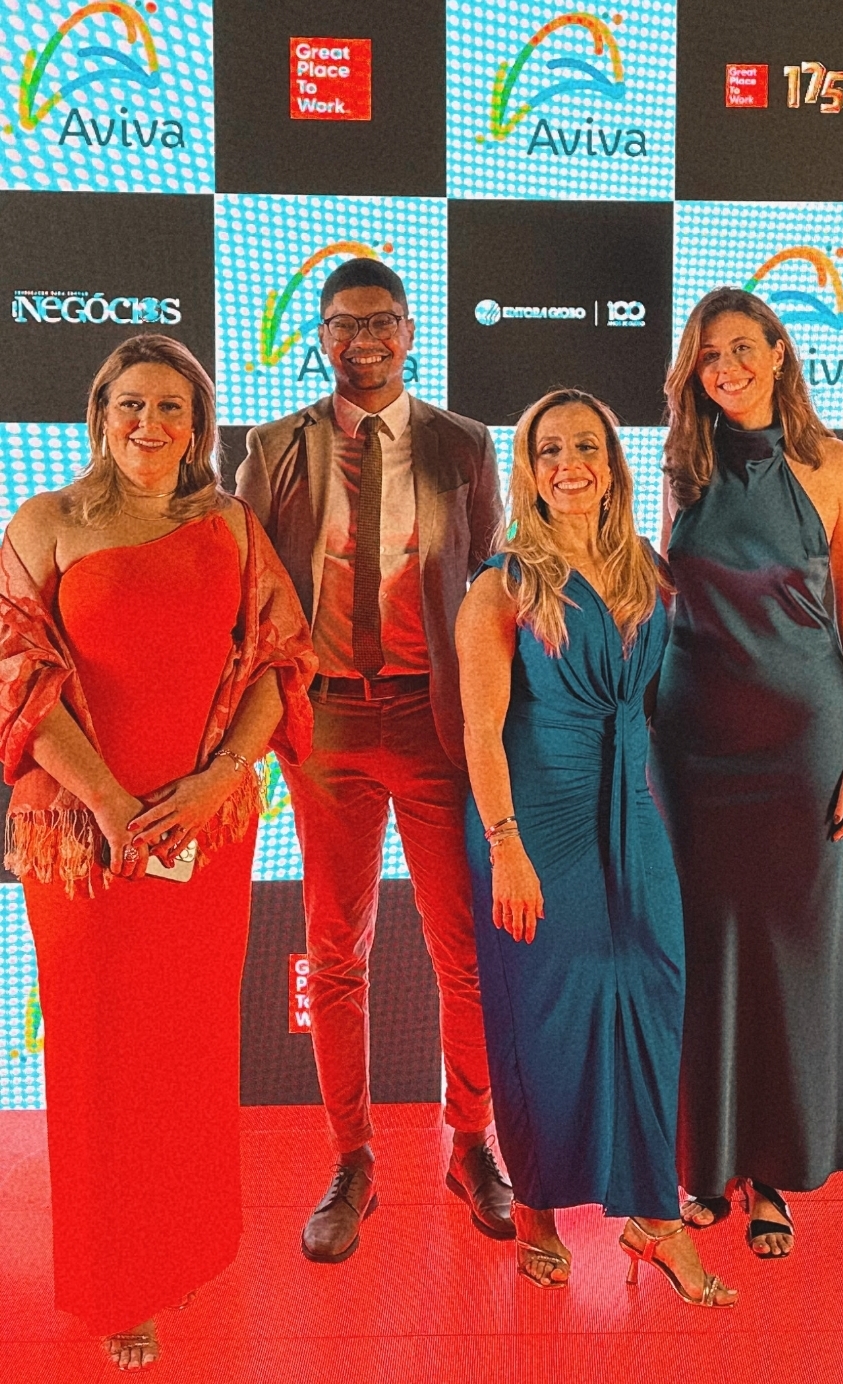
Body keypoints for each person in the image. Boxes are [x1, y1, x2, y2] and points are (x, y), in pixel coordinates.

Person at [0, 334, 316, 1369]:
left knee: (183, 1055)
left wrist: (220, 778)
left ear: (197, 426)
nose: (149, 423)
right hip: (82, 843)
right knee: (100, 1063)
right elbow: (14, 674)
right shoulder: (43, 523)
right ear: (100, 413)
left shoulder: (229, 524)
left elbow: (279, 658)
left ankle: (179, 1251)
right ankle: (117, 1285)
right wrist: (108, 801)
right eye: (130, 403)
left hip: (203, 838)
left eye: (171, 406)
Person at [236, 258, 511, 1261]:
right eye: (344, 324)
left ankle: (470, 1146)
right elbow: (251, 593)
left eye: (380, 322)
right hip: (327, 724)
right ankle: (350, 1160)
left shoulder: (463, 444)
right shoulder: (273, 447)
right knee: (335, 951)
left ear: (409, 332)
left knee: (465, 952)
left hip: (434, 719)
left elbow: (487, 586)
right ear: (320, 336)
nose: (363, 341)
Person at [456, 387, 736, 1307]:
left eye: (586, 446)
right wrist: (506, 847)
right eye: (549, 450)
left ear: (613, 465)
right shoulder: (502, 584)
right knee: (547, 1016)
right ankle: (536, 1207)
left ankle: (653, 1217)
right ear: (528, 470)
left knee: (652, 994)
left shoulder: (646, 567)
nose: (568, 463)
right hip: (533, 817)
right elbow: (480, 732)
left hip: (630, 805)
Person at [650, 288, 843, 1258]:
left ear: (780, 352)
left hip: (801, 745)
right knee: (704, 949)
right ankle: (706, 1164)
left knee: (791, 955)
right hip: (693, 744)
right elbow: (666, 600)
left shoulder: (835, 465)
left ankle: (774, 1176)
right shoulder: (679, 465)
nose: (727, 368)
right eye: (709, 356)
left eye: (743, 348)